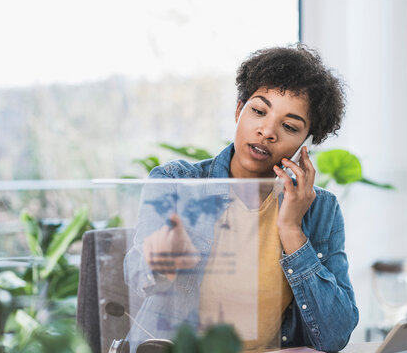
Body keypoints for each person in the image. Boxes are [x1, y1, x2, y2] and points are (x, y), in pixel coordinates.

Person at [123, 44, 359, 352]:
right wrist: (161, 259)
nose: (267, 131)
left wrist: (291, 230)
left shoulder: (321, 209)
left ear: (305, 144)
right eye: (259, 111)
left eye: (289, 126)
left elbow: (335, 335)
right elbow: (136, 275)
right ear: (239, 110)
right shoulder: (178, 183)